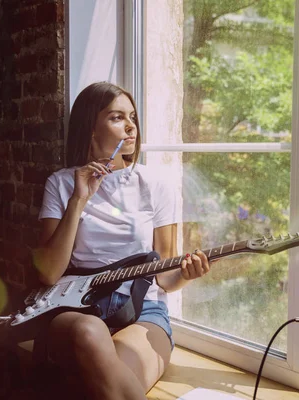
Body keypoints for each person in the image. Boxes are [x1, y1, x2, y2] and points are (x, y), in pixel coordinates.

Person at [34, 81, 212, 400]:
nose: (131, 126)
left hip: (144, 310)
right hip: (76, 309)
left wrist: (185, 275)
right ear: (90, 128)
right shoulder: (60, 184)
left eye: (132, 117)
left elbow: (165, 277)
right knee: (90, 334)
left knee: (108, 383)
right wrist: (79, 200)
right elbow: (47, 273)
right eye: (117, 117)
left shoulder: (156, 184)